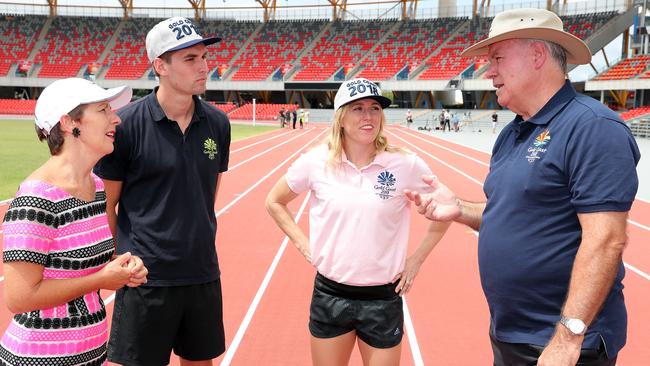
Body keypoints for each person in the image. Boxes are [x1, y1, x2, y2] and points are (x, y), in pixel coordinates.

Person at [405, 8, 640, 366]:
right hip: (512, 335)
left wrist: (567, 337)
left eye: (497, 58)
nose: (489, 71)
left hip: (562, 344)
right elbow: (520, 213)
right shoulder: (513, 133)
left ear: (537, 56)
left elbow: (606, 239)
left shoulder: (592, 127)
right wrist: (460, 208)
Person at [266, 77, 450, 366]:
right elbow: (274, 201)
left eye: (375, 108)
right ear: (340, 117)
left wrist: (416, 259)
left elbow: (446, 209)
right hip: (331, 294)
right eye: (358, 108)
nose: (368, 116)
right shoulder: (315, 162)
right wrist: (304, 245)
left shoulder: (406, 164)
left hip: (382, 297)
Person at [93, 17, 231, 366]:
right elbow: (107, 205)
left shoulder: (218, 123)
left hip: (201, 273)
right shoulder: (126, 126)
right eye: (190, 59)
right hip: (145, 278)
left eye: (203, 56)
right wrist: (117, 261)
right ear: (160, 66)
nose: (203, 66)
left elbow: (207, 193)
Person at [0, 78, 148, 365]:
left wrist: (121, 268)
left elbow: (73, 266)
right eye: (103, 110)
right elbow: (18, 298)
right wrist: (102, 279)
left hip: (89, 354)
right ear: (69, 123)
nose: (116, 118)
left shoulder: (96, 187)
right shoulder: (36, 199)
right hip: (40, 358)